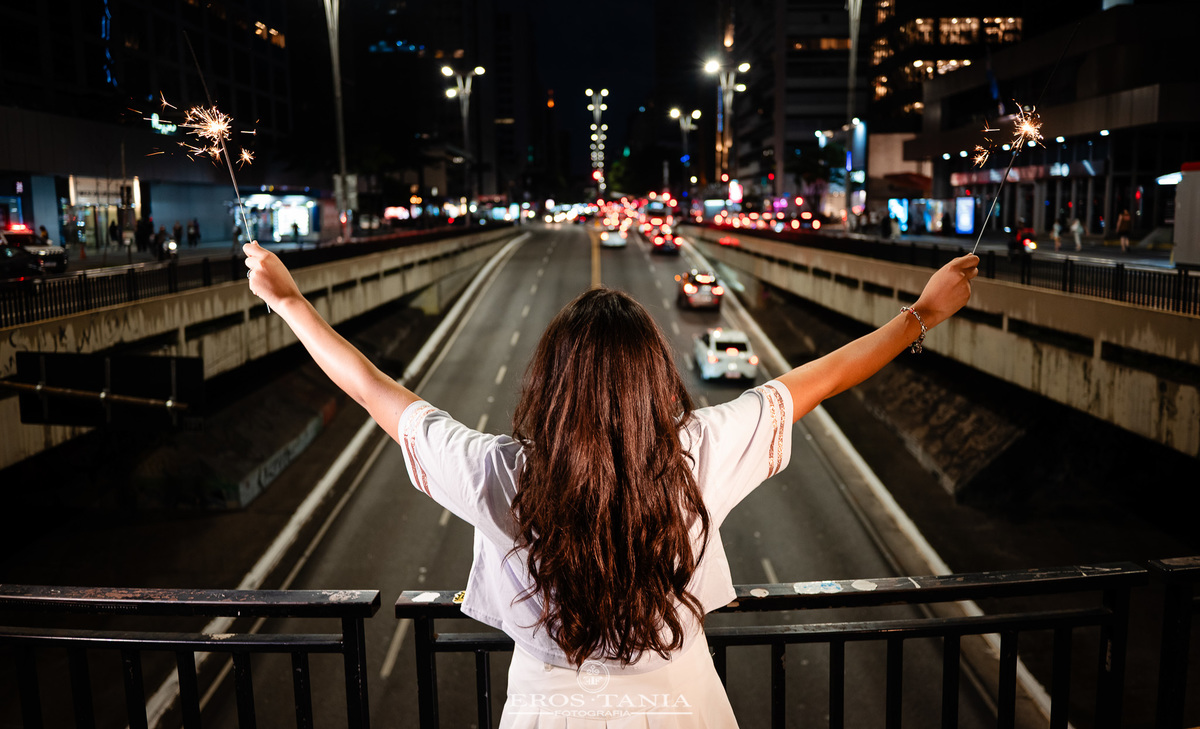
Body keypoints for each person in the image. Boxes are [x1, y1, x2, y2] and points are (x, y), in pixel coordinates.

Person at [242, 241, 978, 726]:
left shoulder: (501, 470)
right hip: (683, 704)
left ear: (549, 381)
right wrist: (921, 313)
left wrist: (290, 303)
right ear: (655, 378)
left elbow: (375, 391)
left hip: (548, 710)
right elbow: (822, 377)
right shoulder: (698, 451)